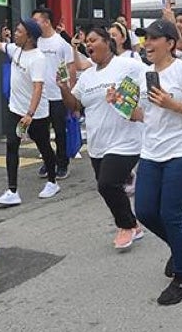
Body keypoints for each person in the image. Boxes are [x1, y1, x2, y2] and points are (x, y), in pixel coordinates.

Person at [132, 19, 182, 305]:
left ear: (171, 43)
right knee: (145, 211)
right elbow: (145, 115)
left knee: (171, 215)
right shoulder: (145, 75)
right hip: (152, 151)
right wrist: (124, 108)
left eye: (153, 39)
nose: (147, 44)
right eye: (144, 39)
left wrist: (172, 104)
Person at [58, 27, 146, 250]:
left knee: (107, 184)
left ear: (108, 42)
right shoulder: (87, 76)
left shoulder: (127, 65)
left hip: (126, 140)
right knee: (109, 186)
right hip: (98, 144)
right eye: (86, 42)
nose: (88, 44)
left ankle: (126, 226)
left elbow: (152, 79)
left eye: (93, 40)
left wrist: (135, 103)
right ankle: (133, 224)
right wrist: (63, 88)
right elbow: (75, 105)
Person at [0, 15, 60, 205]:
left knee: (43, 146)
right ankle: (12, 191)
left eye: (19, 31)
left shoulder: (38, 59)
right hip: (15, 110)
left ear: (29, 37)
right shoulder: (16, 50)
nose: (15, 33)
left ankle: (53, 181)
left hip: (36, 114)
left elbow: (38, 88)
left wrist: (30, 114)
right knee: (12, 145)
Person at [33, 7, 77, 179]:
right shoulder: (35, 42)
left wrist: (69, 91)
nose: (34, 24)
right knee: (39, 131)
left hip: (57, 95)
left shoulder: (61, 43)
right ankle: (48, 159)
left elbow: (69, 67)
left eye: (36, 20)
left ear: (46, 21)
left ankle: (62, 162)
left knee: (59, 131)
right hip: (40, 95)